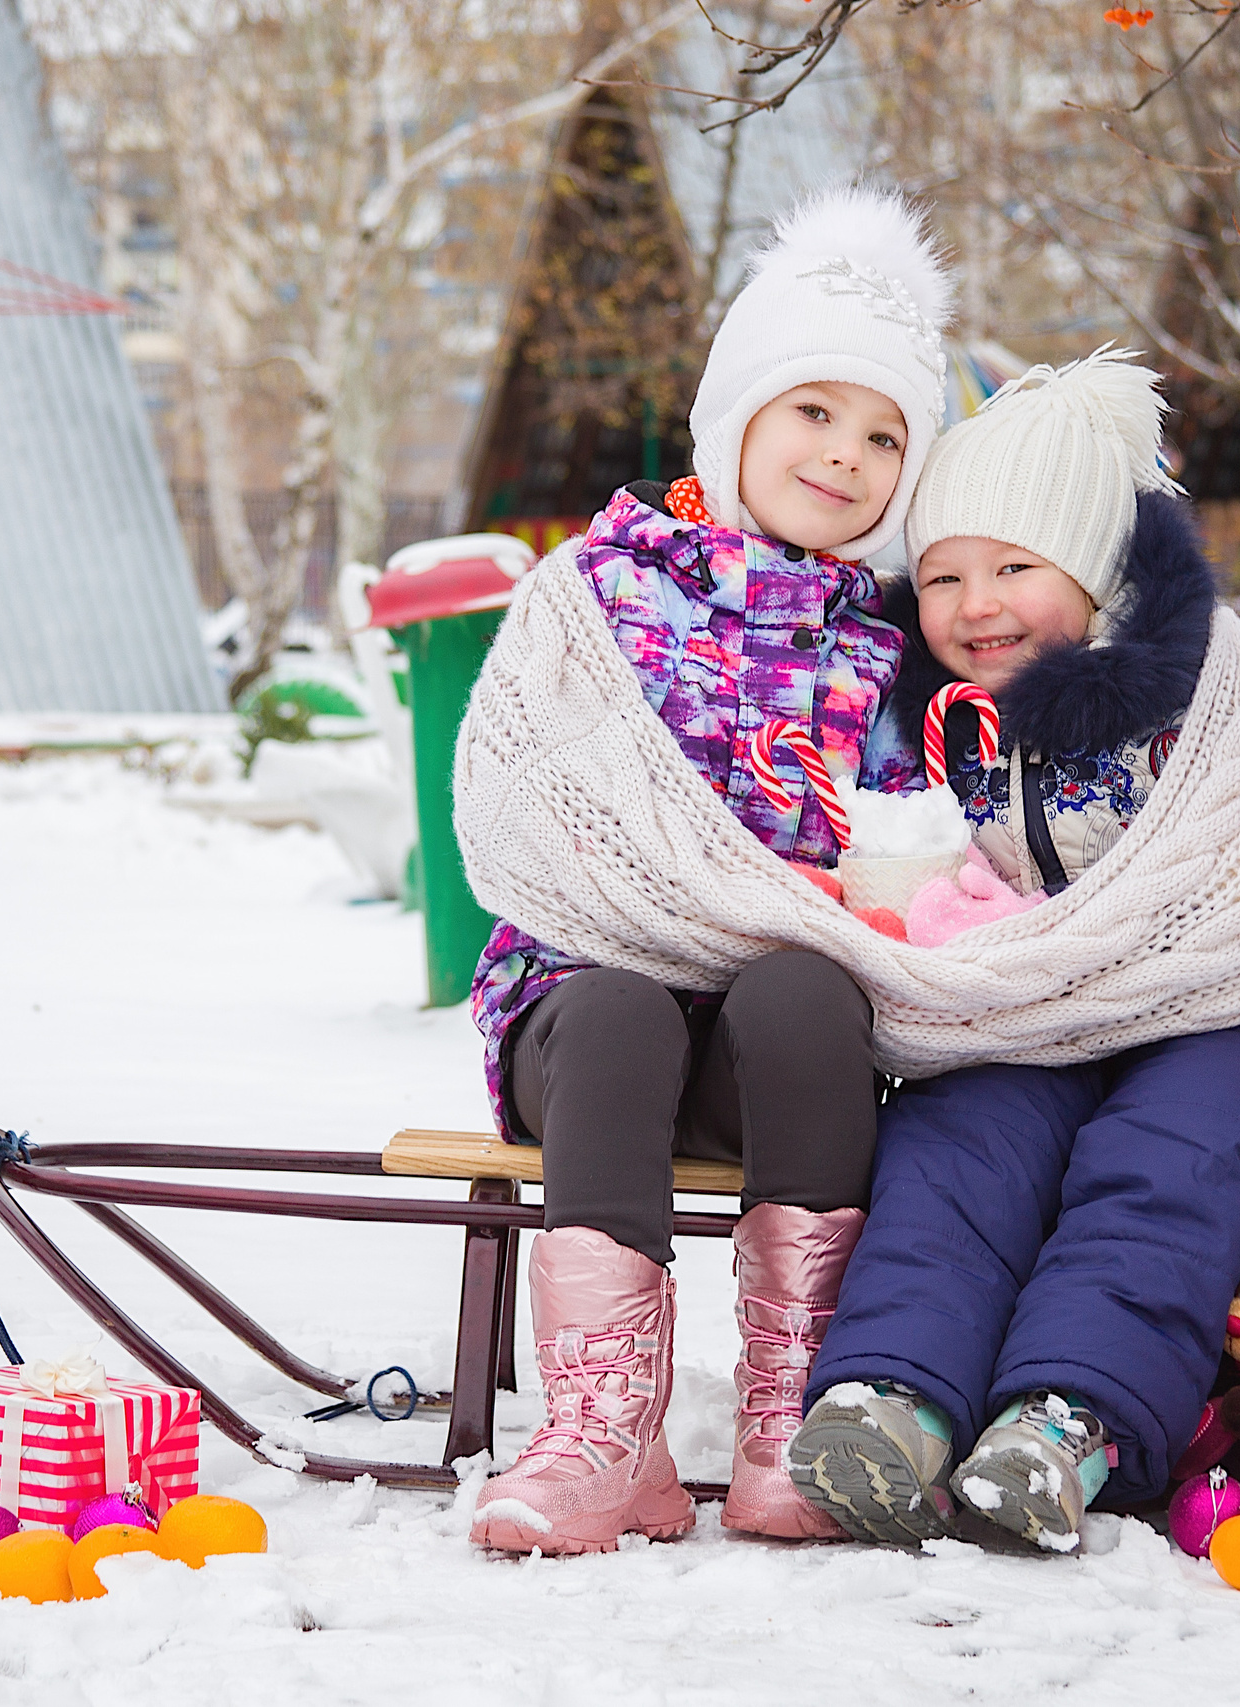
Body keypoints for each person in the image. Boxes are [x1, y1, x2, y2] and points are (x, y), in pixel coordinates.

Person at [786, 348, 1240, 1553]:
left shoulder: (1211, 691)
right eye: (941, 575)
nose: (973, 603)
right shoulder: (970, 721)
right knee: (959, 1136)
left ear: (1100, 572)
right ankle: (891, 1398)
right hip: (1054, 1020)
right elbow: (983, 879)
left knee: (1159, 1156)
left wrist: (1072, 964)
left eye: (1013, 565)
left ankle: (1071, 1419)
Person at [462, 185, 952, 1555]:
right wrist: (674, 897)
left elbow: (912, 860)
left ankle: (791, 1415)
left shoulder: (895, 648)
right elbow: (519, 807)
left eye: (883, 435)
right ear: (738, 407)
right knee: (619, 1002)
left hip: (771, 1050)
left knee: (806, 988)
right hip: (583, 1011)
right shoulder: (605, 583)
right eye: (814, 410)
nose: (845, 455)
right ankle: (604, 1433)